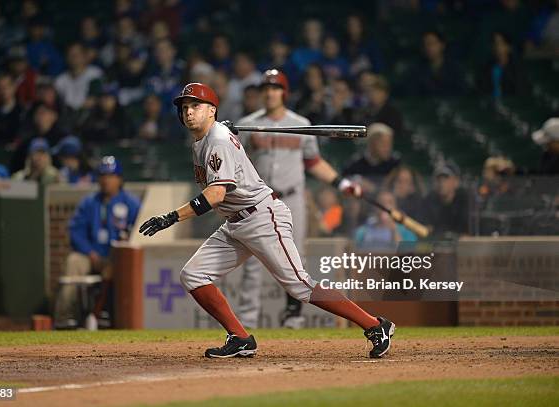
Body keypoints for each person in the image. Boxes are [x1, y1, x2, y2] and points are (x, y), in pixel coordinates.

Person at [138, 82, 395, 359]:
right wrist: (219, 128)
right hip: (235, 223)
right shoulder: (208, 138)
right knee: (193, 275)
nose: (188, 112)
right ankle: (240, 337)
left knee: (300, 286)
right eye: (185, 107)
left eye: (196, 106)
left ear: (212, 110)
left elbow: (215, 194)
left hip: (262, 217)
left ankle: (375, 326)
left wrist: (171, 217)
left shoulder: (218, 141)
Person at [235, 70, 362, 329]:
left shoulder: (301, 124)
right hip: (258, 201)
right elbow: (236, 162)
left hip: (291, 198)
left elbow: (314, 162)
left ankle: (293, 317)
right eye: (266, 88)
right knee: (252, 261)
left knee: (295, 259)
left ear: (284, 92)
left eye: (275, 88)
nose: (270, 92)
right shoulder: (247, 124)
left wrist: (341, 183)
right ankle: (247, 322)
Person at [54, 156, 140, 328]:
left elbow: (137, 235)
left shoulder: (131, 204)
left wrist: (116, 256)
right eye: (102, 175)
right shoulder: (89, 202)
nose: (106, 180)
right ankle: (66, 317)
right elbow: (75, 232)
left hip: (115, 259)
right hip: (91, 255)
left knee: (120, 268)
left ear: (119, 179)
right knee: (74, 262)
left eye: (110, 176)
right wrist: (90, 253)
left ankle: (112, 318)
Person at [421, 162, 469, 238]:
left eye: (446, 179)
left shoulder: (465, 201)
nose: (441, 183)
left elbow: (467, 235)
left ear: (456, 182)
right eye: (439, 179)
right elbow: (426, 230)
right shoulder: (429, 201)